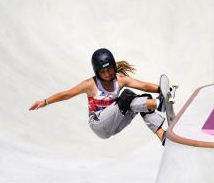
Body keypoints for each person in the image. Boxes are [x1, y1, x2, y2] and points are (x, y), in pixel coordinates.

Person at [29, 48, 167, 145]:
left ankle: (162, 136)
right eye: (103, 72)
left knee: (144, 99)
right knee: (127, 97)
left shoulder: (120, 79)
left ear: (114, 66)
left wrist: (161, 89)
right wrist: (45, 102)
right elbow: (67, 94)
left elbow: (142, 85)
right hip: (99, 125)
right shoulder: (90, 84)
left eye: (109, 69)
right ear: (97, 72)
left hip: (116, 124)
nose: (107, 74)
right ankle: (159, 103)